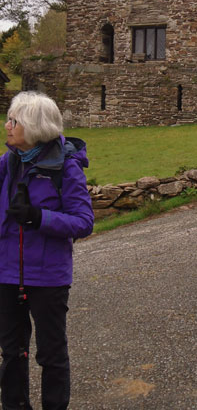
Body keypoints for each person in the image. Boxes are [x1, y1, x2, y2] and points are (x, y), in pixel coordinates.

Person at [0, 92, 94, 409]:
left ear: (35, 127)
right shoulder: (9, 163)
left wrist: (39, 218)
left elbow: (83, 222)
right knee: (12, 352)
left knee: (51, 353)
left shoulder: (65, 169)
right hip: (7, 272)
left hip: (49, 276)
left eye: (14, 121)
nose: (7, 126)